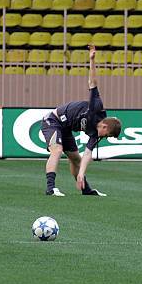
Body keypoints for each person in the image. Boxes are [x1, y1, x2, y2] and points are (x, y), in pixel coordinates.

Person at [41, 45, 121, 197]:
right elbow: (92, 82)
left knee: (76, 159)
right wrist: (92, 60)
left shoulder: (97, 134)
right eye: (108, 134)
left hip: (66, 128)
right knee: (57, 150)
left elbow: (87, 154)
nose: (105, 137)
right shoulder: (97, 108)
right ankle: (50, 188)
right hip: (53, 120)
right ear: (104, 126)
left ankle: (86, 190)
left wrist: (81, 174)